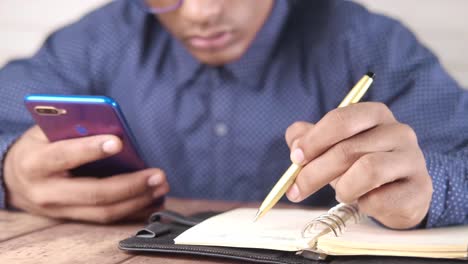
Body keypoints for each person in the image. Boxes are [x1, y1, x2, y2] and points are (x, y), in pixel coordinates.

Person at [0, 0, 466, 228]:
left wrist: (429, 190)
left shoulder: (369, 43)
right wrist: (9, 173)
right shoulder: (98, 40)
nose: (202, 12)